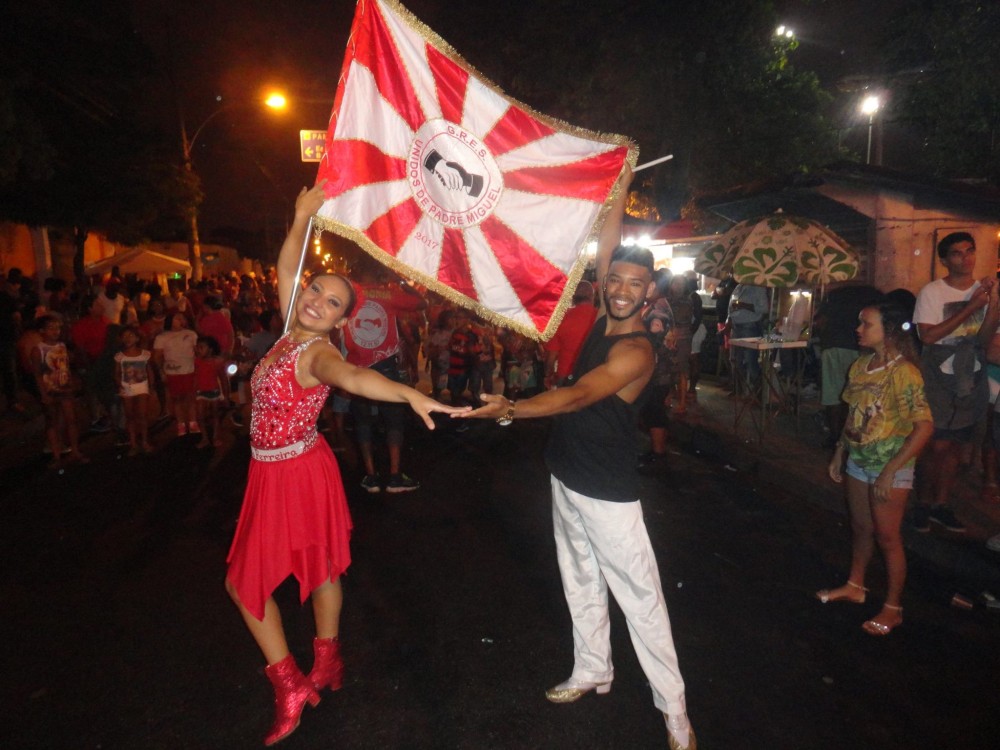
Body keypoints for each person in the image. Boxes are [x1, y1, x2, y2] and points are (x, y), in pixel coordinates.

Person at [456, 177, 696, 750]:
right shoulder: (604, 314)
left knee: (641, 599)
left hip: (607, 491)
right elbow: (608, 245)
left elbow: (576, 395)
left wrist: (510, 408)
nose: (621, 289)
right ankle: (593, 669)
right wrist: (620, 183)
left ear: (650, 291)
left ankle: (676, 715)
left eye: (634, 284)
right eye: (614, 279)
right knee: (580, 578)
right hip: (566, 473)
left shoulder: (635, 349)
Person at [224, 183, 465, 747]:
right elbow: (287, 267)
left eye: (332, 303)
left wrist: (407, 393)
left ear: (342, 321)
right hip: (278, 468)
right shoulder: (292, 327)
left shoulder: (318, 352)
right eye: (315, 290)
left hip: (296, 473)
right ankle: (328, 662)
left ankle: (290, 684)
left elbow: (354, 377)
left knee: (243, 584)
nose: (316, 301)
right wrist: (301, 216)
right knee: (324, 569)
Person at [818, 301, 933, 636]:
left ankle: (893, 608)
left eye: (866, 324)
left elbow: (924, 427)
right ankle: (856, 585)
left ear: (890, 331)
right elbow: (853, 415)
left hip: (890, 466)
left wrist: (891, 471)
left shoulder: (904, 373)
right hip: (858, 460)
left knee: (887, 537)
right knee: (861, 528)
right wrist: (840, 451)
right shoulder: (861, 365)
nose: (858, 329)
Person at [912, 232, 1000, 533]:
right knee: (935, 445)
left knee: (955, 448)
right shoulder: (932, 292)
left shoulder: (983, 291)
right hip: (938, 376)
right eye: (957, 253)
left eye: (970, 251)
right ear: (944, 260)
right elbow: (928, 336)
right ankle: (923, 503)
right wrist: (971, 307)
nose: (966, 258)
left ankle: (941, 504)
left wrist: (994, 304)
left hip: (970, 374)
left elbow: (984, 340)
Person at [342, 268, 429, 493]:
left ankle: (371, 476)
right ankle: (394, 476)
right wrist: (403, 282)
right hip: (386, 367)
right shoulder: (388, 294)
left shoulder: (347, 294)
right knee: (394, 421)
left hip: (357, 369)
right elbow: (422, 303)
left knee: (362, 423)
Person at [813, 283, 882, 449]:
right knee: (858, 395)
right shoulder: (874, 294)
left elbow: (820, 321)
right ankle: (855, 438)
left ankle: (835, 438)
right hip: (860, 349)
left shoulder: (834, 295)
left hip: (834, 346)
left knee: (833, 395)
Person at [32, 315, 88, 468]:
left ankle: (75, 450)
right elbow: (37, 374)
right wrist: (43, 394)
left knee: (71, 419)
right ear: (42, 331)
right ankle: (56, 455)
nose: (56, 331)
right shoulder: (38, 350)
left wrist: (71, 381)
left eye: (57, 328)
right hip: (49, 389)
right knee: (52, 421)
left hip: (64, 388)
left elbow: (66, 367)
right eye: (51, 328)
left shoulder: (62, 346)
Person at [544, 279, 597, 389]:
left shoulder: (560, 319)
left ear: (572, 298)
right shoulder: (600, 318)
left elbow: (551, 357)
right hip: (593, 377)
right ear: (592, 297)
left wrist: (548, 375)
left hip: (566, 378)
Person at [153, 312, 198, 437]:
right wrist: (161, 372)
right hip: (172, 372)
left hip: (189, 370)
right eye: (177, 318)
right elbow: (157, 357)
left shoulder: (191, 334)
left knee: (191, 398)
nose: (181, 320)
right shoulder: (162, 337)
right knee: (177, 399)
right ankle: (181, 424)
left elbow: (197, 352)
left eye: (182, 318)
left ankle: (193, 423)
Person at [113, 326, 154, 455]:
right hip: (127, 387)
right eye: (125, 336)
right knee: (130, 416)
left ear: (137, 338)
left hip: (142, 386)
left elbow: (149, 370)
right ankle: (133, 443)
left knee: (142, 414)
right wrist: (121, 385)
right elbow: (117, 373)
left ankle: (145, 441)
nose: (128, 338)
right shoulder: (120, 356)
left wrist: (151, 386)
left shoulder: (145, 354)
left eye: (130, 335)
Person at [727, 282, 768, 389]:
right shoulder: (738, 286)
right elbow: (731, 305)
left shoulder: (758, 287)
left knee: (750, 360)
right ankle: (739, 389)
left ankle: (756, 391)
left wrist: (744, 305)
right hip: (736, 325)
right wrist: (729, 319)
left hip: (749, 326)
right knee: (735, 359)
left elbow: (764, 308)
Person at [193, 335, 229, 448]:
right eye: (197, 347)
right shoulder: (197, 361)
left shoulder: (217, 362)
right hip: (200, 391)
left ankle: (215, 437)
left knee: (215, 415)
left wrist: (226, 396)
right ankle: (204, 438)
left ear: (210, 349)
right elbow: (195, 377)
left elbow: (223, 379)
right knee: (199, 416)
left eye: (201, 347)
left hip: (214, 391)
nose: (198, 350)